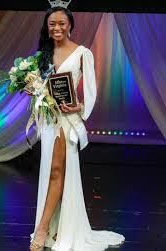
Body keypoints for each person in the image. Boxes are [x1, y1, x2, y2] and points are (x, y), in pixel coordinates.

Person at [30, 6, 125, 251]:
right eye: (52, 24)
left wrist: (79, 107)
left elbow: (91, 91)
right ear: (47, 27)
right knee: (53, 172)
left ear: (70, 25)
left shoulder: (82, 53)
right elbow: (41, 87)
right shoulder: (43, 55)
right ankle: (53, 227)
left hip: (67, 121)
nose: (57, 27)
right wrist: (34, 90)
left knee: (57, 170)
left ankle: (42, 229)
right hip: (50, 120)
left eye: (62, 23)